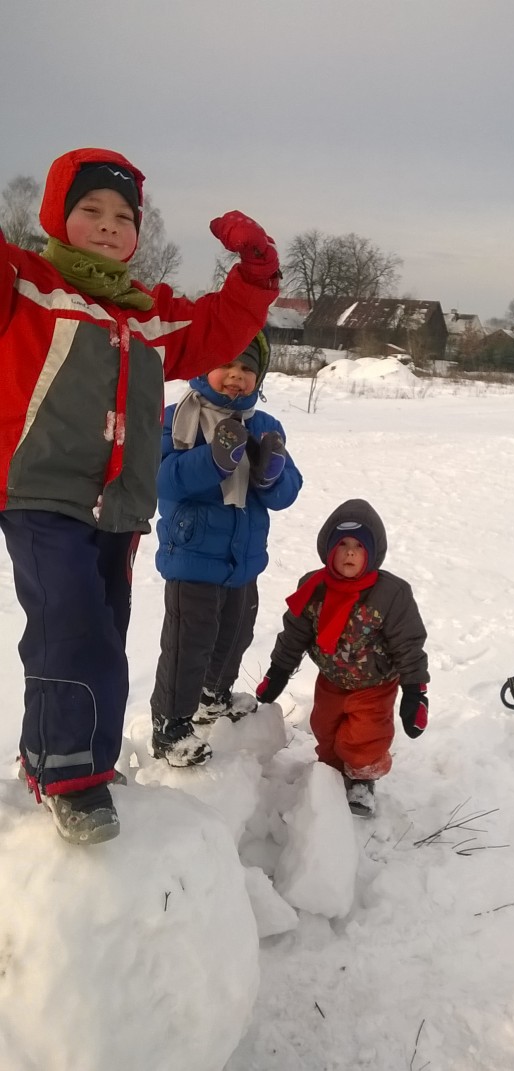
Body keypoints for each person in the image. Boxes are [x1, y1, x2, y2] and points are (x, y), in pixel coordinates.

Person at [0, 145, 280, 844]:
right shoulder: (27, 285)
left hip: (118, 506)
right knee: (71, 624)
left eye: (123, 216)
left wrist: (255, 272)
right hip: (40, 490)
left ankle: (61, 758)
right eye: (89, 209)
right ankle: (72, 774)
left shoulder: (149, 316)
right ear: (56, 217)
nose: (107, 224)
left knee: (102, 631)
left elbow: (219, 327)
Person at [150, 329, 302, 766]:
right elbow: (161, 478)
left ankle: (211, 696)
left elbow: (287, 492)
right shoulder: (176, 417)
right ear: (204, 367)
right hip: (193, 555)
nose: (236, 377)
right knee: (187, 644)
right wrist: (213, 460)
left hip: (243, 559)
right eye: (227, 365)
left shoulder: (265, 426)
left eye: (248, 369)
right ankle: (170, 726)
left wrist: (272, 475)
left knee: (236, 632)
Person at [255, 499, 429, 817]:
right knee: (325, 727)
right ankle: (333, 773)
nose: (349, 553)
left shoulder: (391, 595)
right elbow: (294, 634)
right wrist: (278, 671)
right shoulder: (313, 587)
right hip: (332, 679)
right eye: (343, 544)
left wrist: (416, 691)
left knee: (365, 736)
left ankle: (362, 779)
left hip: (375, 684)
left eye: (358, 546)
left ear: (372, 553)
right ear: (329, 549)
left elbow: (409, 645)